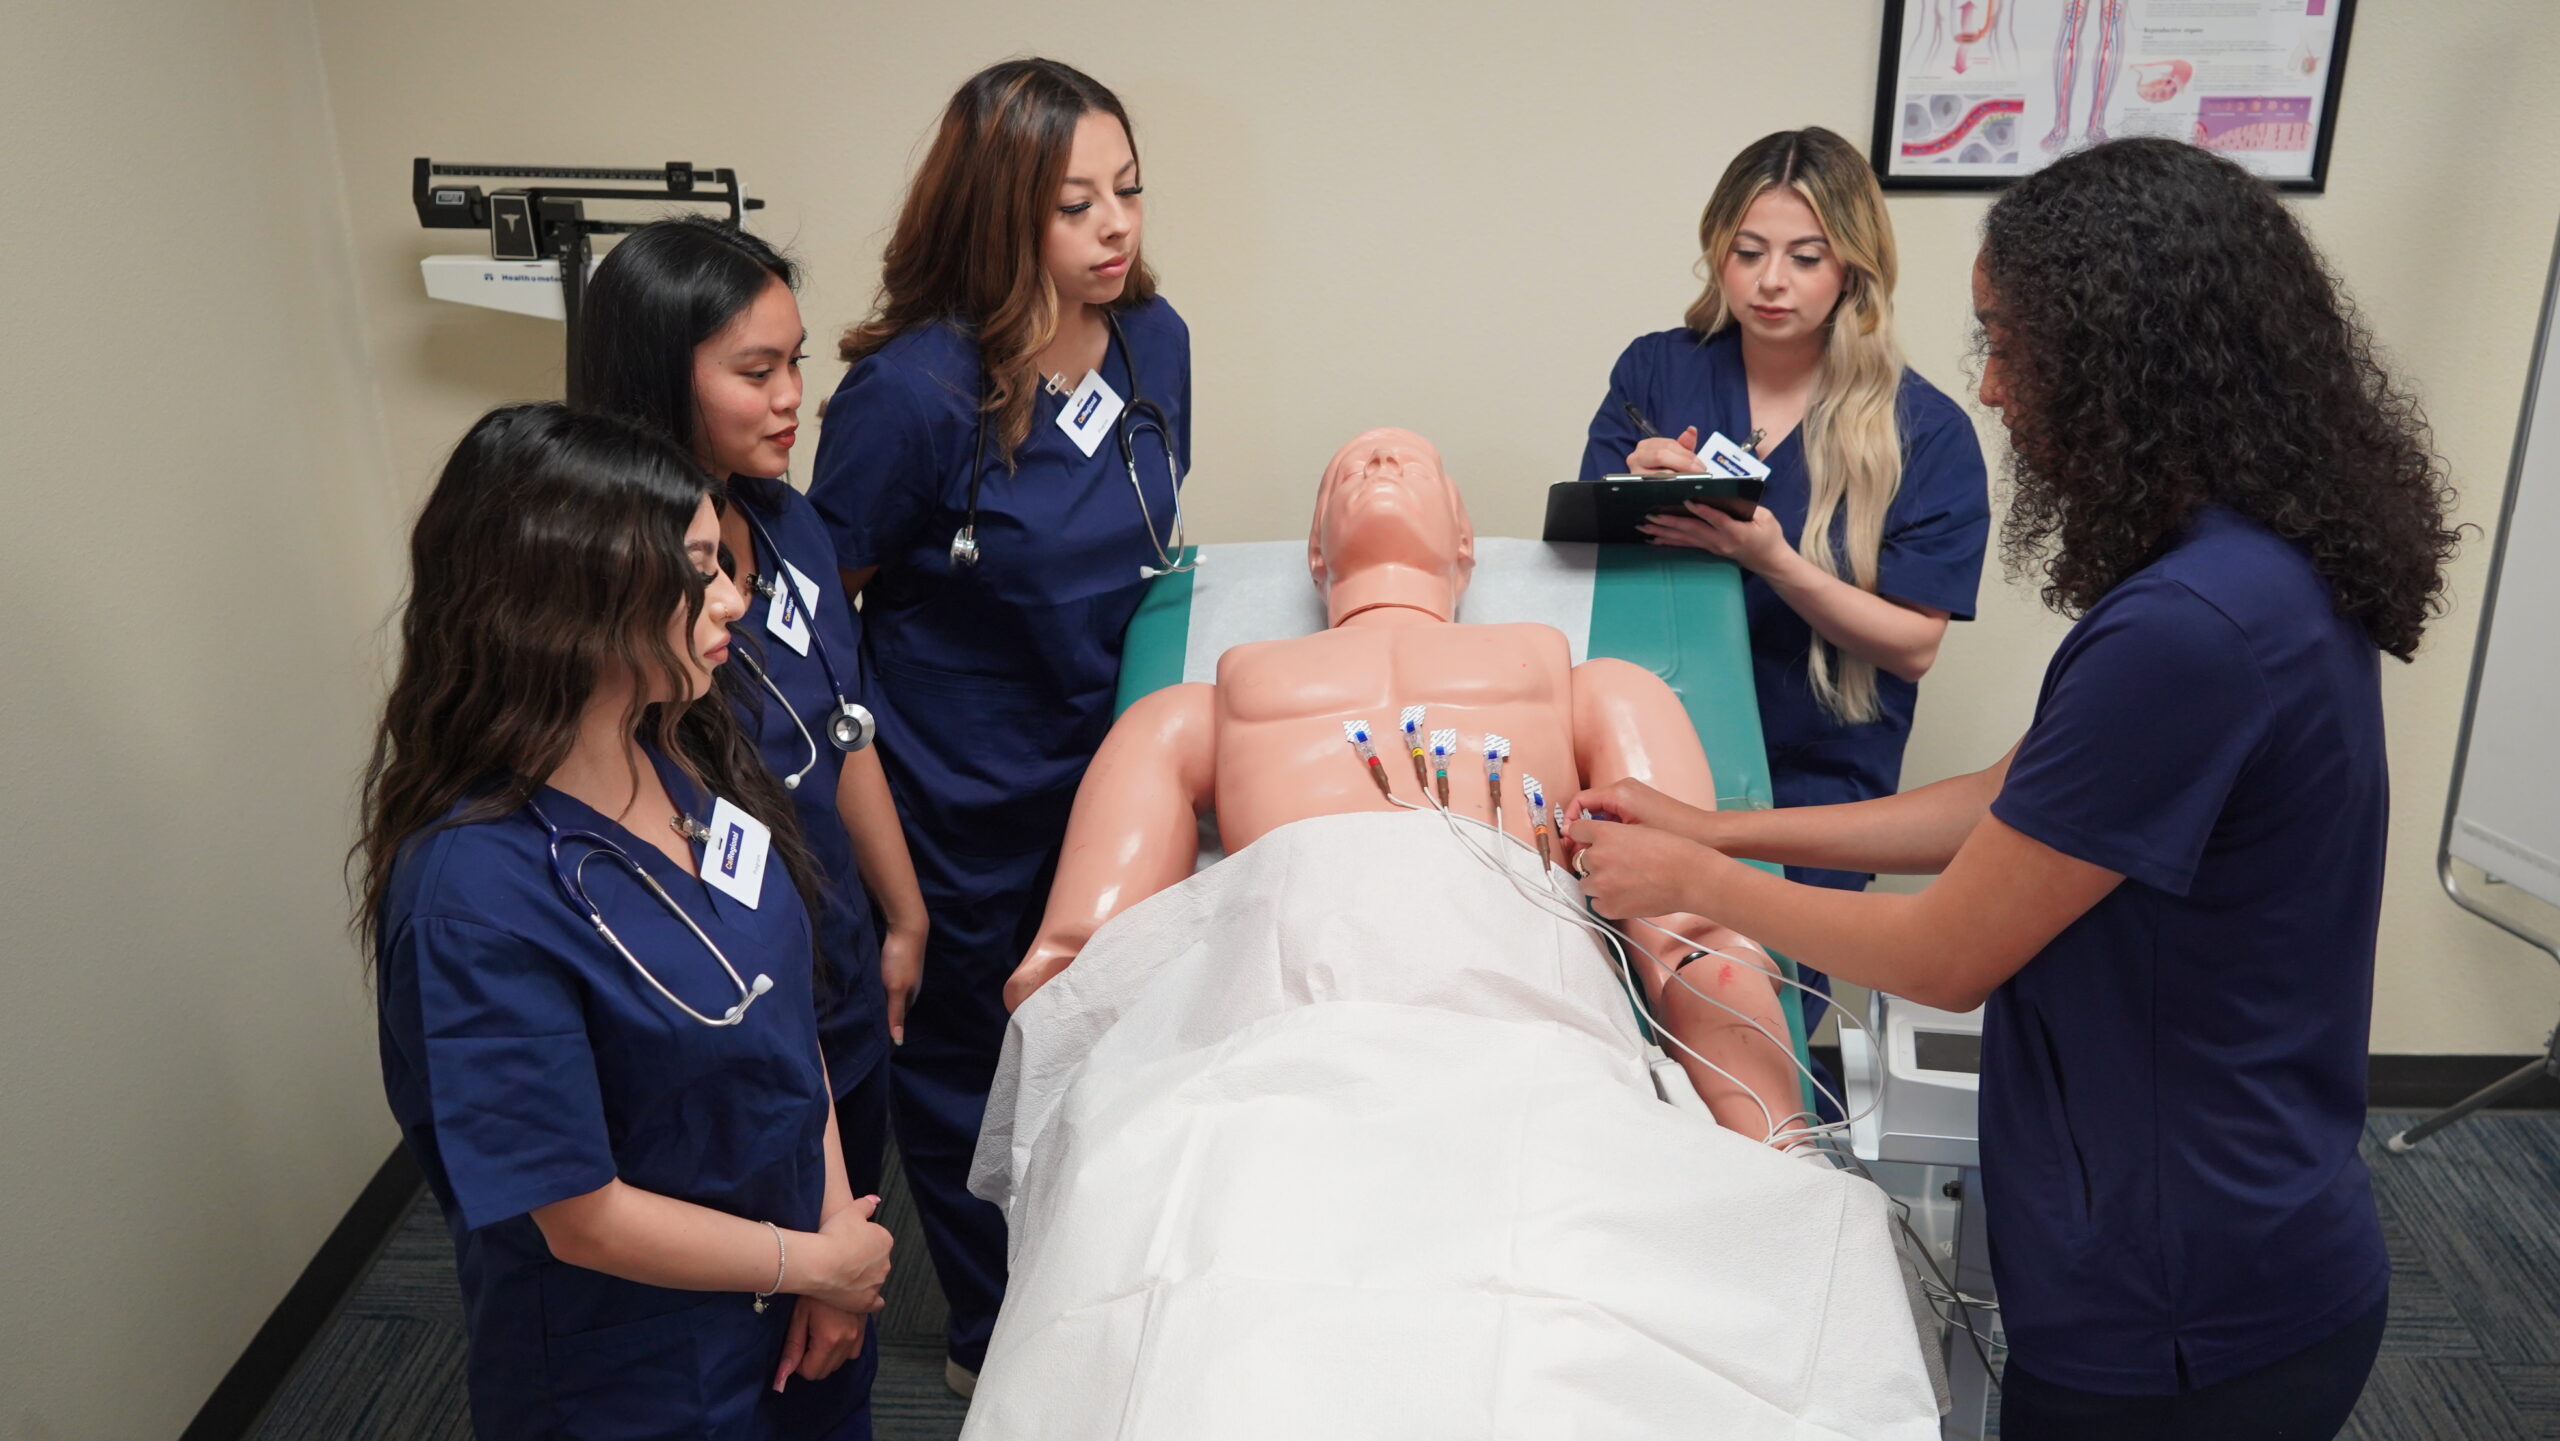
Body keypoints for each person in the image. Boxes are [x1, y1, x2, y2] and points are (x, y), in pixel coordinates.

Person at [1566, 138, 2462, 1440]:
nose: (1987, 386)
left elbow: (1946, 954)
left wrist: (1699, 878)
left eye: (2007, 344)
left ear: (2119, 357)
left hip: (2180, 1302)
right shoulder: (2244, 569)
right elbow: (2009, 796)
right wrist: (1715, 826)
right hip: (2226, 1229)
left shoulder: (2191, 629)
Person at [964, 429, 1935, 1438]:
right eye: (1348, 467)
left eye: (1412, 462)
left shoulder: (1590, 684)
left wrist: (1776, 1143)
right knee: (1213, 1274)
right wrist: (1090, 1146)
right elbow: (1076, 967)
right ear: (1313, 550)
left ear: (1466, 542)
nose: (1380, 462)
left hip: (1523, 1035)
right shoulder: (1201, 705)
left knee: (1557, 1295)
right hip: (1268, 1043)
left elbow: (1695, 935)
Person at [355, 405, 897, 1438]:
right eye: (698, 570)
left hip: (801, 1303)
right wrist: (808, 1262)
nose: (732, 595)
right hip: (644, 1372)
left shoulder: (683, 752)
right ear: (573, 595)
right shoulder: (473, 899)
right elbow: (579, 1212)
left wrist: (833, 1237)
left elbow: (783, 1012)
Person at [806, 57, 1191, 1392]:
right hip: (954, 793)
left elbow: (1140, 537)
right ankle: (993, 1338)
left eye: (1128, 191)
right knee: (969, 1067)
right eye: (1075, 204)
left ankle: (1100, 1291)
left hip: (1106, 774)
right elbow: (823, 611)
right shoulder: (913, 396)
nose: (1115, 227)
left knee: (1112, 1042)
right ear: (997, 212)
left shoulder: (1153, 340)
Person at [573, 217, 931, 1433]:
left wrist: (902, 913)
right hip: (720, 1012)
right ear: (657, 375)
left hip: (828, 964)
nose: (792, 399)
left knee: (846, 1281)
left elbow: (844, 725)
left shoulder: (789, 523)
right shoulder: (616, 598)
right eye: (755, 370)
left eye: (796, 363)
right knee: (749, 1329)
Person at [1578, 125, 1990, 1063]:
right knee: (1620, 1034)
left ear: (1853, 267)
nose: (1772, 282)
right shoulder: (1658, 372)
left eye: (1805, 257)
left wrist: (1774, 559)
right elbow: (1588, 558)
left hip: (1810, 781)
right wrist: (1636, 489)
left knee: (1752, 1034)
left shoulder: (1922, 431)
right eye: (1748, 252)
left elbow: (1914, 643)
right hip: (1652, 745)